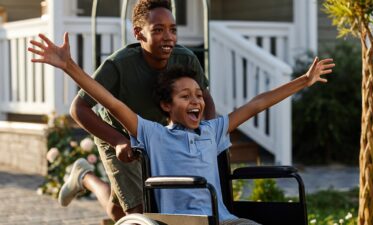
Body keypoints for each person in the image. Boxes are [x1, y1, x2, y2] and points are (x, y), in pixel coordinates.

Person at [28, 29, 334, 224]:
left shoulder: (213, 132)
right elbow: (112, 103)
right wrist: (69, 67)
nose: (196, 101)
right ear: (166, 105)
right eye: (185, 96)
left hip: (223, 220)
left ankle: (85, 177)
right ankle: (86, 178)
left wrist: (304, 81)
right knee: (120, 211)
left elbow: (257, 104)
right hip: (181, 223)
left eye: (199, 95)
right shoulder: (153, 134)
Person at [44, 0, 215, 222]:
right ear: (138, 33)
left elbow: (206, 98)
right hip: (117, 134)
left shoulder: (186, 59)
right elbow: (79, 108)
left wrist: (207, 134)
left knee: (118, 211)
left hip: (155, 136)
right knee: (139, 210)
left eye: (173, 30)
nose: (168, 37)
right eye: (158, 30)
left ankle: (84, 177)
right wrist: (117, 141)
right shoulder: (118, 66)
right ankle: (89, 176)